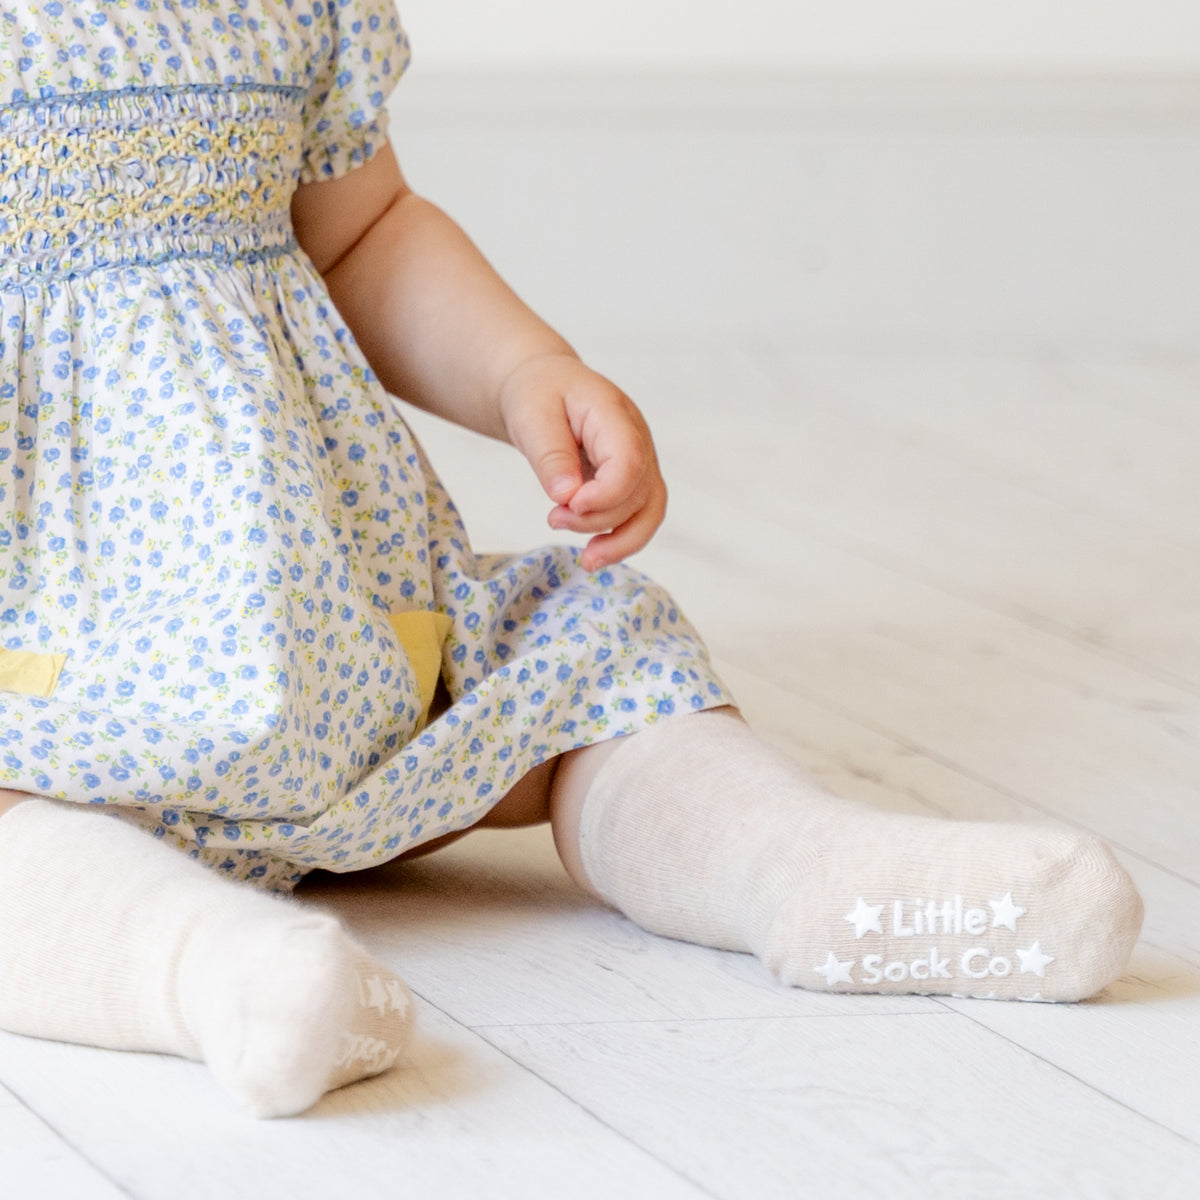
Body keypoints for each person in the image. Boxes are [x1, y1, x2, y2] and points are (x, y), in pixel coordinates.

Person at [0, 1, 1142, 1119]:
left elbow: (359, 232)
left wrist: (521, 373)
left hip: (335, 645)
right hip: (46, 675)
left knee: (592, 647)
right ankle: (215, 975)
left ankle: (797, 868)